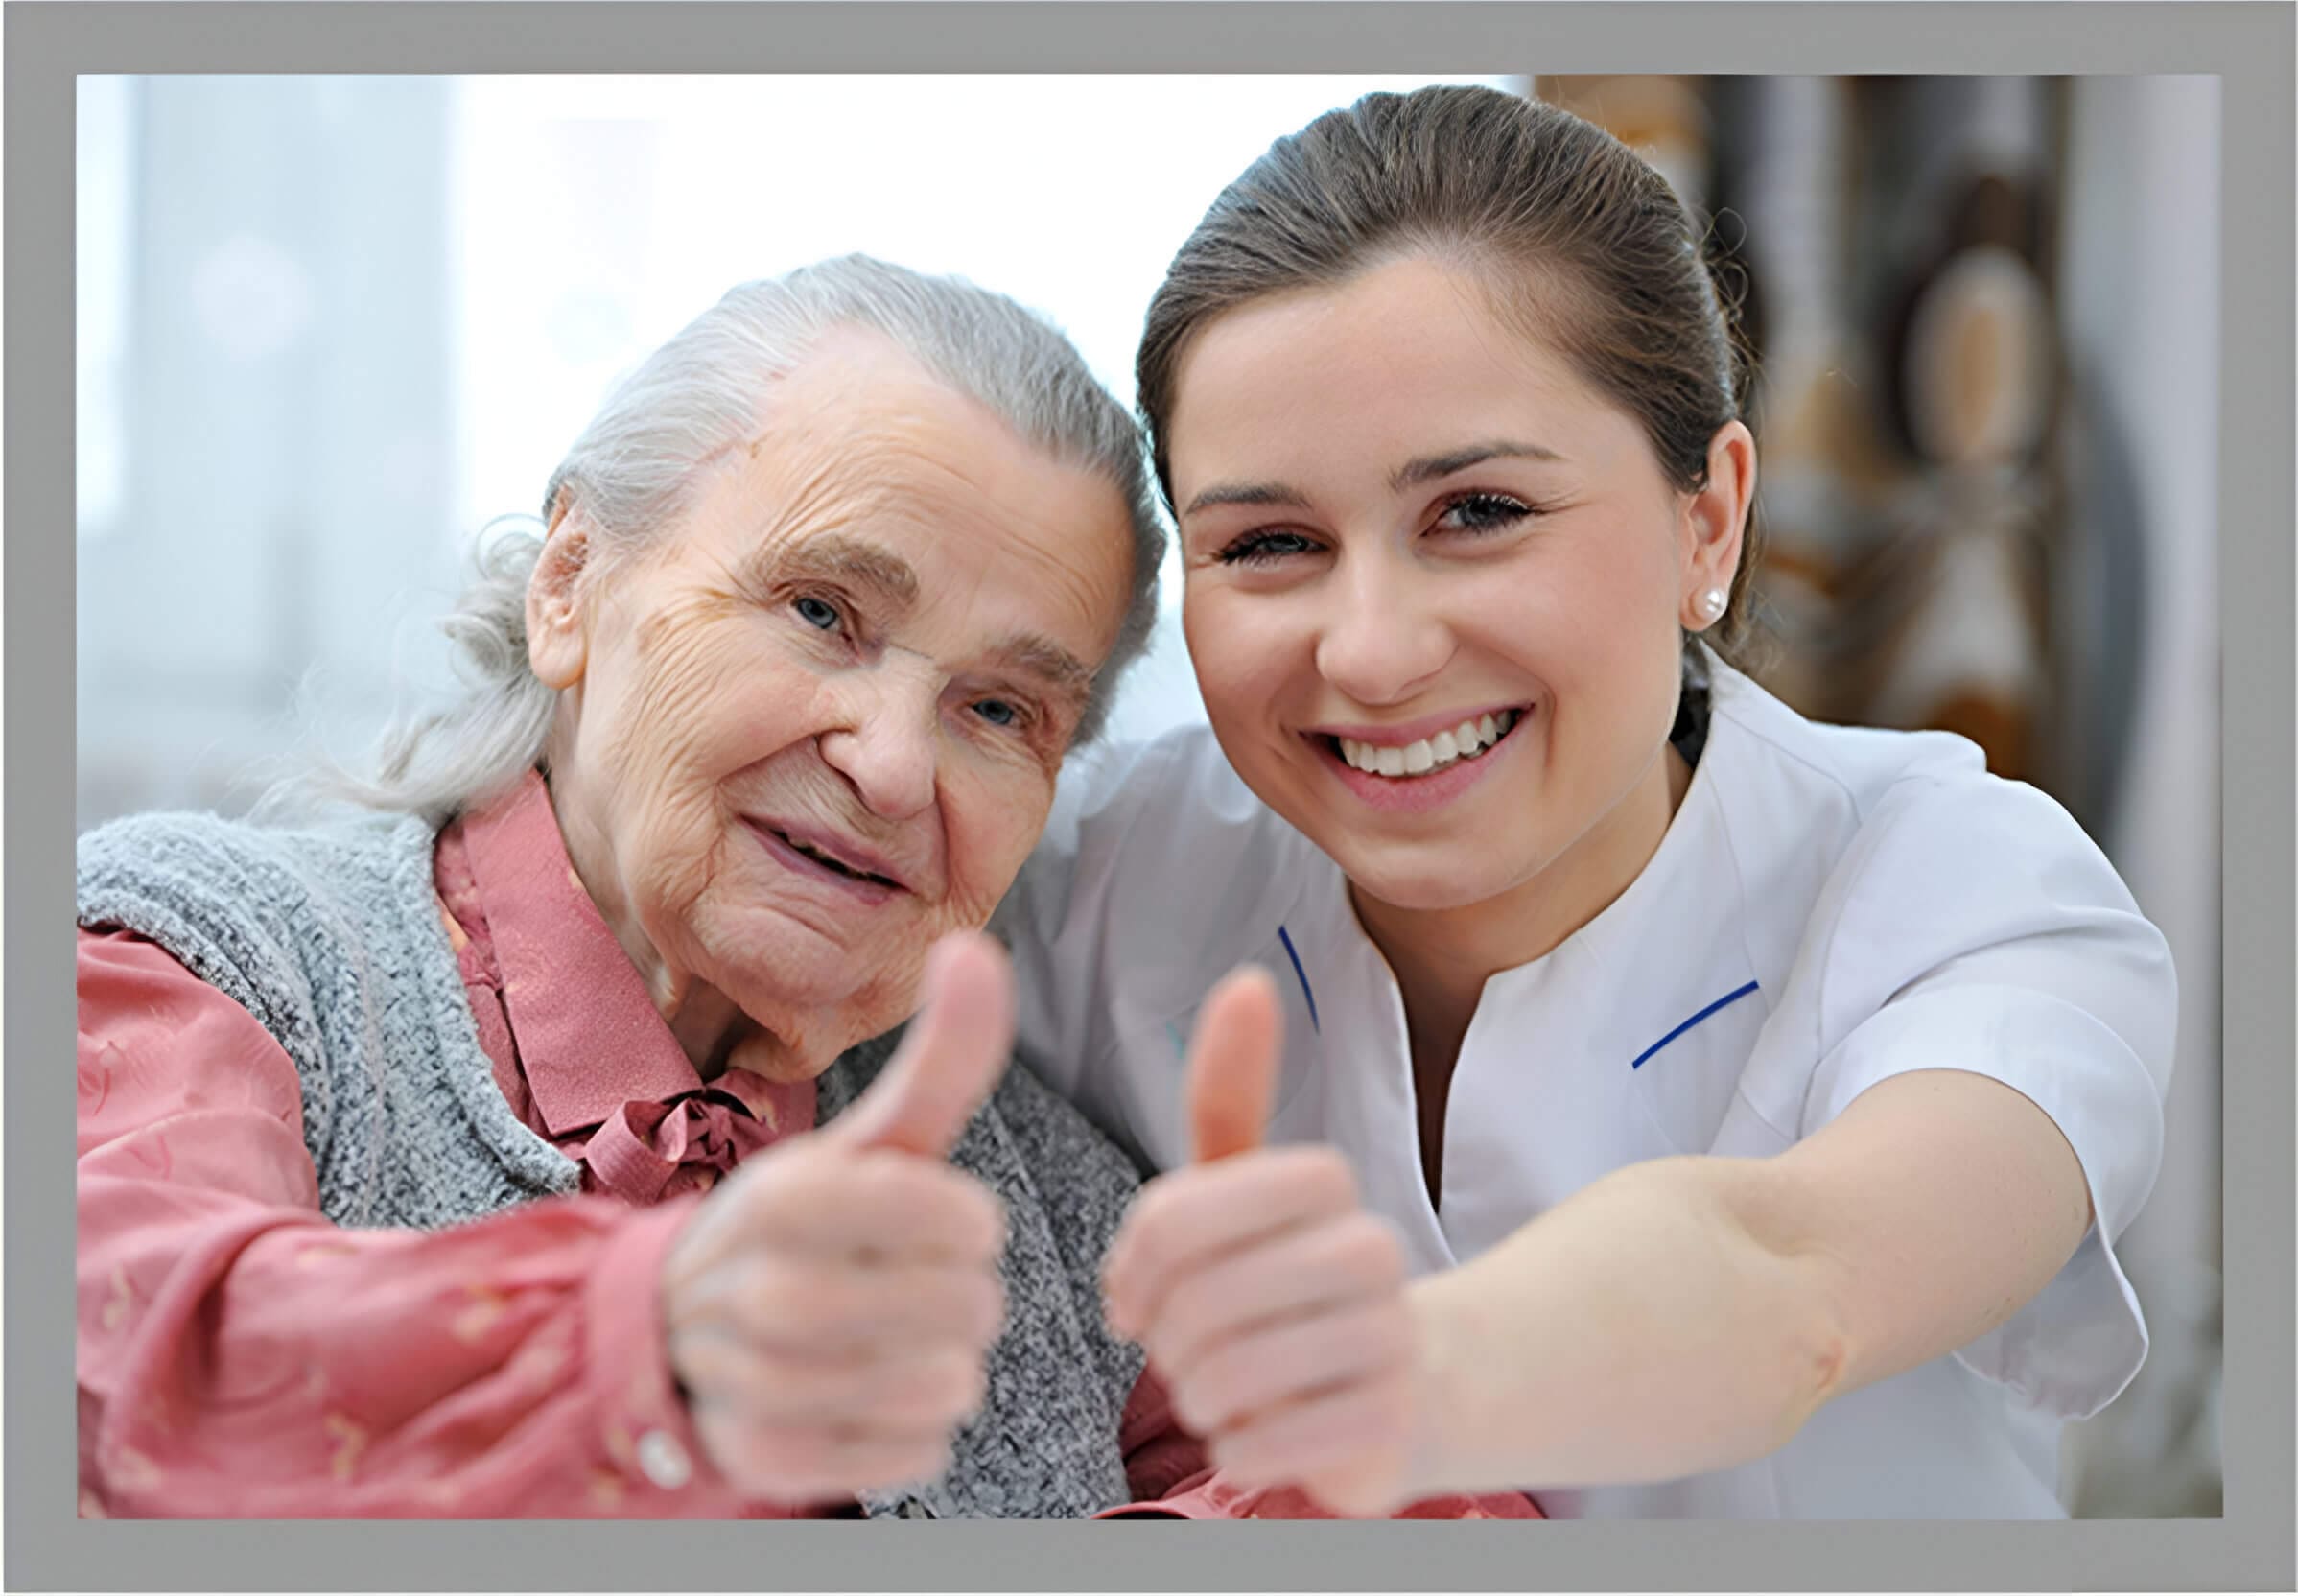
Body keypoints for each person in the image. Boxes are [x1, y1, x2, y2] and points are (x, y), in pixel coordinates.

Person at [74, 253, 1541, 1523]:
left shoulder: (1037, 1193)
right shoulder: (196, 957)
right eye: (823, 613)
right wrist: (656, 1347)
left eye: (999, 712)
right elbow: (110, 1380)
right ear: (572, 583)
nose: (896, 767)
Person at [994, 85, 2177, 1519]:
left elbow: (1794, 1279)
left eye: (1479, 512)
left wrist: (1393, 1392)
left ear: (1710, 520)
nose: (1370, 651)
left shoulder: (1970, 894)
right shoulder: (1086, 873)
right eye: (1271, 543)